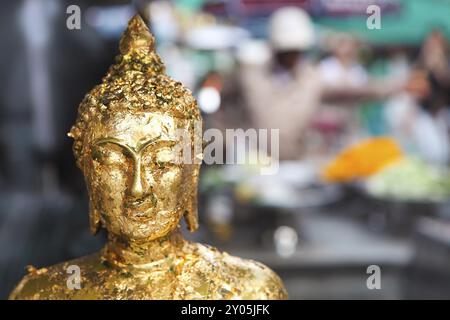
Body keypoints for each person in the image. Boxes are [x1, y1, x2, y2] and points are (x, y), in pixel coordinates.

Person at [9, 15, 287, 300]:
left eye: (163, 162)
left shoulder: (249, 293)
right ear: (87, 172)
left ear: (192, 170)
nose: (138, 188)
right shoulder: (42, 295)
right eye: (115, 162)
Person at [237, 7, 415, 161]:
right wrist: (229, 143)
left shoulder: (310, 78)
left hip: (297, 164)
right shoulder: (251, 76)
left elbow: (353, 91)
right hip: (256, 167)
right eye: (287, 51)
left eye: (296, 51)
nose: (291, 57)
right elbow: (221, 105)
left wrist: (399, 87)